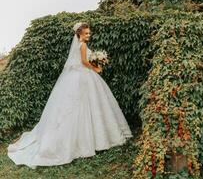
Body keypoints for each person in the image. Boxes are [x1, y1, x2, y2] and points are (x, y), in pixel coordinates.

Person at [7, 22, 132, 168]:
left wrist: (97, 61)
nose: (88, 35)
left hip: (77, 77)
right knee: (87, 105)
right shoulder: (83, 45)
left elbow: (81, 61)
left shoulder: (78, 45)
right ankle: (92, 140)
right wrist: (96, 68)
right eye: (86, 33)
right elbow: (85, 62)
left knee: (79, 107)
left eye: (89, 33)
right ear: (79, 34)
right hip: (84, 77)